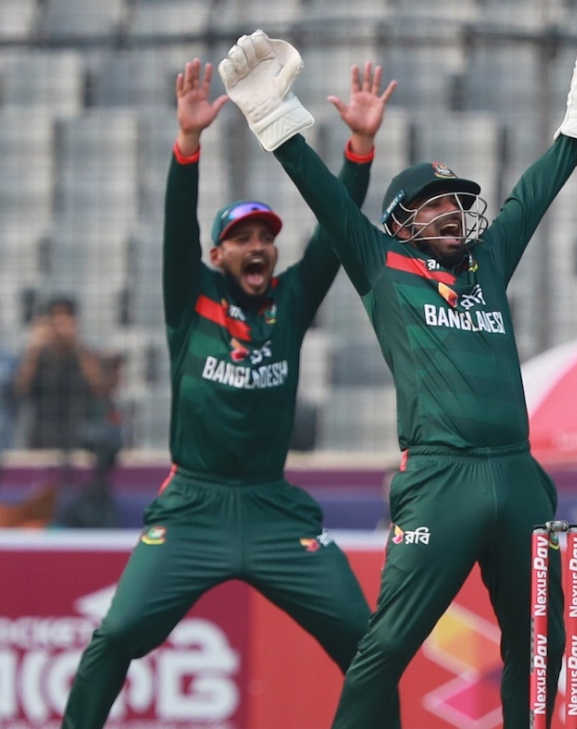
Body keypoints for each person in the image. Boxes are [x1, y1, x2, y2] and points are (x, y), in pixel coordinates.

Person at [218, 30, 577, 729]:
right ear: (400, 220)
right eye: (434, 203)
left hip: (519, 474)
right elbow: (326, 198)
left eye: (457, 201)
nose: (451, 211)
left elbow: (530, 198)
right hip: (441, 479)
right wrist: (274, 118)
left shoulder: (488, 260)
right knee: (385, 647)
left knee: (543, 641)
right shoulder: (380, 261)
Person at [60, 58, 398, 728]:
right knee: (115, 635)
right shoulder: (191, 298)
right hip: (193, 507)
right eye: (241, 238)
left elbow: (334, 234)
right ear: (218, 255)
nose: (257, 246)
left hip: (274, 509)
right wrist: (188, 144)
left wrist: (359, 149)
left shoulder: (291, 300)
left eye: (265, 237)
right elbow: (177, 225)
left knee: (370, 647)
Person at [12, 296, 105, 454]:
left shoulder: (84, 353)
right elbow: (20, 388)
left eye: (66, 316)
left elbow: (99, 389)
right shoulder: (37, 355)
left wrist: (76, 343)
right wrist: (35, 347)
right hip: (41, 436)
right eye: (55, 316)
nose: (60, 322)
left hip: (79, 436)